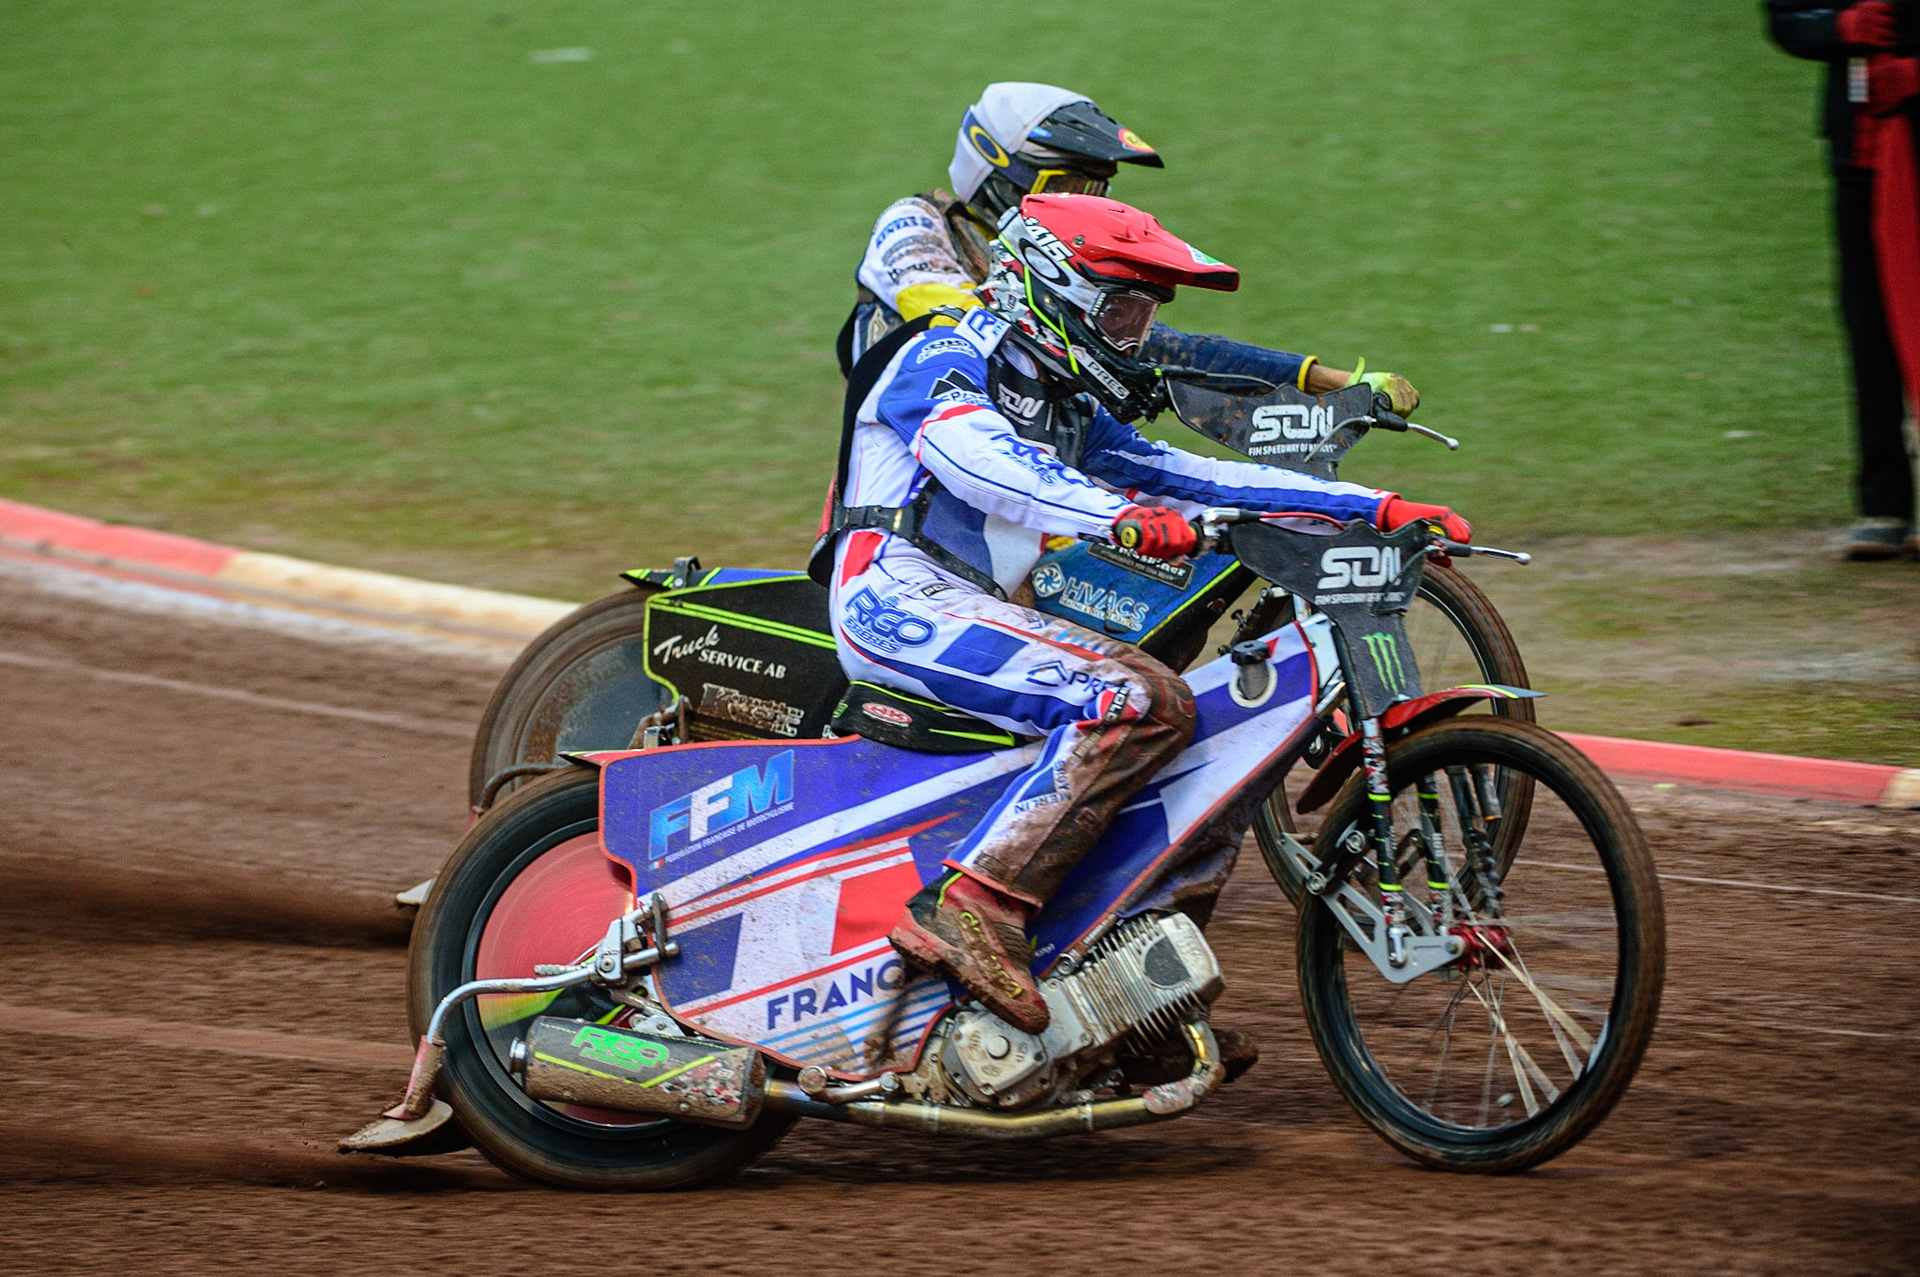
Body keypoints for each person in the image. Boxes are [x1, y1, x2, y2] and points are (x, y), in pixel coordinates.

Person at [810, 192, 1469, 1036]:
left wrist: (1373, 509)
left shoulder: (1067, 404)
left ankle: (1129, 993)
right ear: (1050, 288)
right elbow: (981, 461)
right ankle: (970, 906)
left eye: (1144, 315)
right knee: (1135, 698)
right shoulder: (942, 352)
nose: (1133, 335)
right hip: (895, 595)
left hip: (979, 605)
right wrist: (1112, 515)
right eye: (1121, 311)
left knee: (1211, 746)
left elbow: (1193, 476)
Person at [846, 81, 1420, 418]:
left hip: (1034, 449)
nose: (1075, 203)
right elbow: (946, 307)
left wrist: (1328, 382)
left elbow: (1163, 347)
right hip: (923, 459)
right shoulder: (915, 222)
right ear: (997, 170)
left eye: (1093, 190)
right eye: (1063, 184)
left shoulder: (1053, 263)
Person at [1768, 1, 1920, 559]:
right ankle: (1884, 505)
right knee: (1868, 328)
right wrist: (1840, 26)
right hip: (1859, 159)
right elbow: (1785, 18)